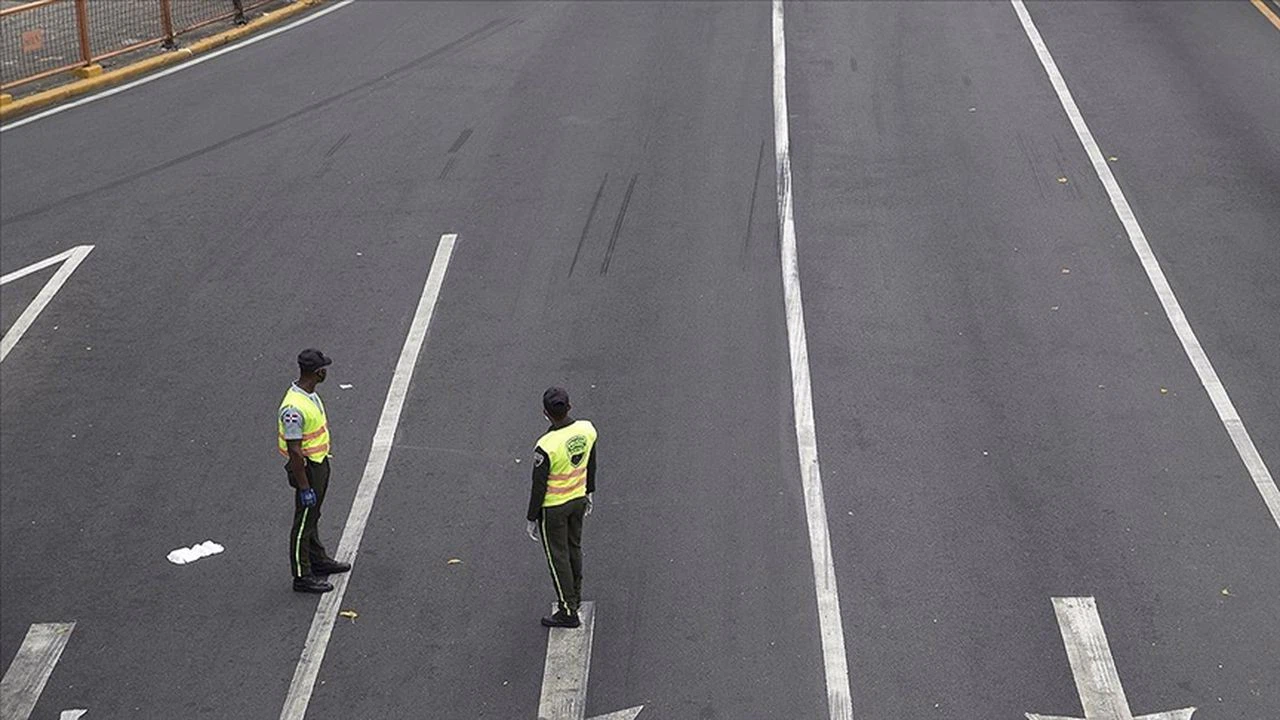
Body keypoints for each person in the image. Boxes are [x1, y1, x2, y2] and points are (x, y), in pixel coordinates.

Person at [278, 348, 351, 593]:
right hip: (307, 469)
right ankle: (301, 574)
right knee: (303, 522)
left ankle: (317, 559)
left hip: (318, 462)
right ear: (318, 372)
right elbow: (295, 451)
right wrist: (305, 486)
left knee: (313, 516)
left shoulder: (309, 395)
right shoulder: (293, 408)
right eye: (324, 369)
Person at [526, 387, 597, 628]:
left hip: (553, 508)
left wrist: (531, 517)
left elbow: (539, 486)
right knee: (573, 547)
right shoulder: (587, 430)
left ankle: (568, 610)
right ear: (570, 406)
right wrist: (588, 492)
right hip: (577, 500)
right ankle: (575, 594)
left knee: (558, 557)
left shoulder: (545, 445)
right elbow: (591, 464)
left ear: (545, 413)